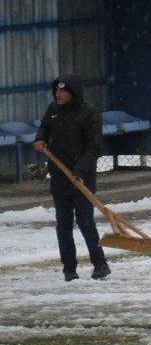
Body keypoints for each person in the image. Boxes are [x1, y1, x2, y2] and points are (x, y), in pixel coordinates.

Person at [34, 74, 111, 281]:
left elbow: (94, 147)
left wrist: (80, 170)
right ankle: (69, 269)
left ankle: (100, 264)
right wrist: (40, 139)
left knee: (86, 221)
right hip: (59, 176)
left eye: (63, 91)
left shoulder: (90, 113)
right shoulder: (53, 110)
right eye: (56, 91)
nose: (58, 95)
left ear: (73, 93)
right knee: (63, 225)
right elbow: (44, 128)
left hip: (82, 176)